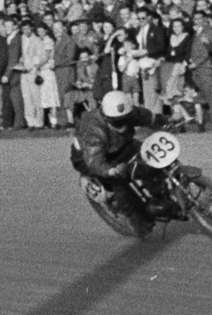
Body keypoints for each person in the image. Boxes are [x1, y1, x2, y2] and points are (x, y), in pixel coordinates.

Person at [69, 90, 171, 237]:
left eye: (125, 119)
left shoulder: (128, 111)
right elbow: (94, 160)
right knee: (119, 181)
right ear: (105, 116)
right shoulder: (94, 129)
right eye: (116, 122)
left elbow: (147, 117)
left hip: (119, 145)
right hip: (87, 158)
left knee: (148, 157)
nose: (121, 124)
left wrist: (166, 120)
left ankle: (158, 193)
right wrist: (110, 170)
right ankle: (135, 220)